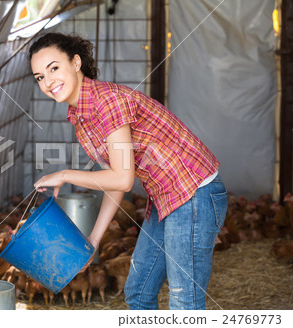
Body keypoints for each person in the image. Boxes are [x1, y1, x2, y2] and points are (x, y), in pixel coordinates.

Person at [29, 32, 228, 310]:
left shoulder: (106, 101)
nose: (48, 82)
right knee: (138, 291)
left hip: (194, 192)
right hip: (165, 197)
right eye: (39, 77)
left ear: (75, 62)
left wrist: (64, 175)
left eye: (54, 68)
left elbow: (123, 178)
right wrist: (94, 240)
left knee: (185, 302)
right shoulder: (81, 118)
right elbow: (115, 179)